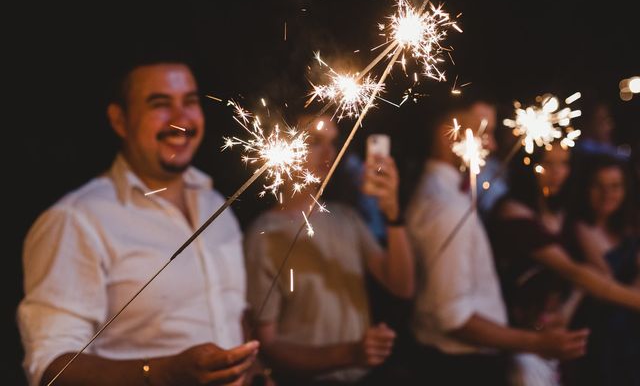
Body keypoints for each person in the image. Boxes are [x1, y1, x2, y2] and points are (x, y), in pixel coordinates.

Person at [18, 59, 261, 386]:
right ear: (120, 121)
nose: (181, 120)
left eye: (189, 102)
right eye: (160, 105)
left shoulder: (216, 204)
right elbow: (50, 367)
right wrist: (162, 374)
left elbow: (231, 313)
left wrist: (257, 373)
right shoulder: (76, 219)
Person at [406, 95, 589, 386]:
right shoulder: (447, 208)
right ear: (447, 135)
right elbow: (453, 318)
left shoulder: (449, 193)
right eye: (484, 132)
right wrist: (537, 344)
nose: (492, 145)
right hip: (460, 369)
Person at [244, 113, 415, 385]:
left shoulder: (347, 217)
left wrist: (393, 214)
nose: (330, 152)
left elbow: (402, 286)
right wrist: (350, 353)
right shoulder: (265, 234)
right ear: (283, 145)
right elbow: (267, 343)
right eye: (315, 141)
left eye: (333, 142)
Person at [490, 144, 640, 385]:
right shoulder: (515, 212)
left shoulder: (561, 212)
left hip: (562, 334)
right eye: (547, 163)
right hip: (522, 338)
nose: (557, 172)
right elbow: (580, 274)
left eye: (563, 163)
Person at [564, 155, 640, 385]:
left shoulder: (628, 227)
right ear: (586, 187)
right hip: (604, 334)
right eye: (599, 186)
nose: (607, 194)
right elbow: (606, 285)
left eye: (615, 186)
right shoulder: (580, 228)